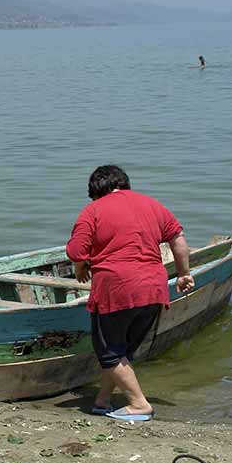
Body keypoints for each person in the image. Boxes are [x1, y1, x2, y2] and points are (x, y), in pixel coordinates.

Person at [65, 165, 195, 422]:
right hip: (154, 289)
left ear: (95, 192)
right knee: (120, 351)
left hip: (117, 289)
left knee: (109, 352)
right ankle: (102, 401)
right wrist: (183, 274)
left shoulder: (93, 211)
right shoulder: (153, 205)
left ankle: (139, 404)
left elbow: (76, 251)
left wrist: (81, 267)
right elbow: (178, 239)